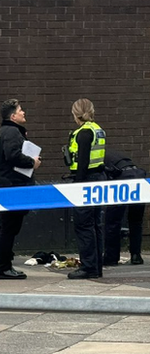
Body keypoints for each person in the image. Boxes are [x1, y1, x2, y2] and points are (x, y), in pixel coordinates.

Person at [0, 99, 40, 280]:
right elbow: (13, 156)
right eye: (20, 110)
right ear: (13, 116)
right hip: (12, 188)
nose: (23, 112)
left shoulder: (2, 132)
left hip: (4, 186)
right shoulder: (11, 132)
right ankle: (3, 267)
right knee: (9, 229)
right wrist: (32, 162)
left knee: (7, 228)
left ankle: (3, 265)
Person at [64, 98, 107, 280]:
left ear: (75, 114)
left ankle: (88, 267)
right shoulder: (97, 129)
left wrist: (77, 183)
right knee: (96, 225)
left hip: (85, 181)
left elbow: (82, 163)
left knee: (84, 226)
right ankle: (96, 266)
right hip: (99, 178)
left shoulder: (83, 133)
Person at [102, 149, 144, 266]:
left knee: (112, 222)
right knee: (136, 221)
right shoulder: (113, 155)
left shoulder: (97, 158)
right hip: (139, 177)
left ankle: (111, 258)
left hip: (122, 180)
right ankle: (136, 255)